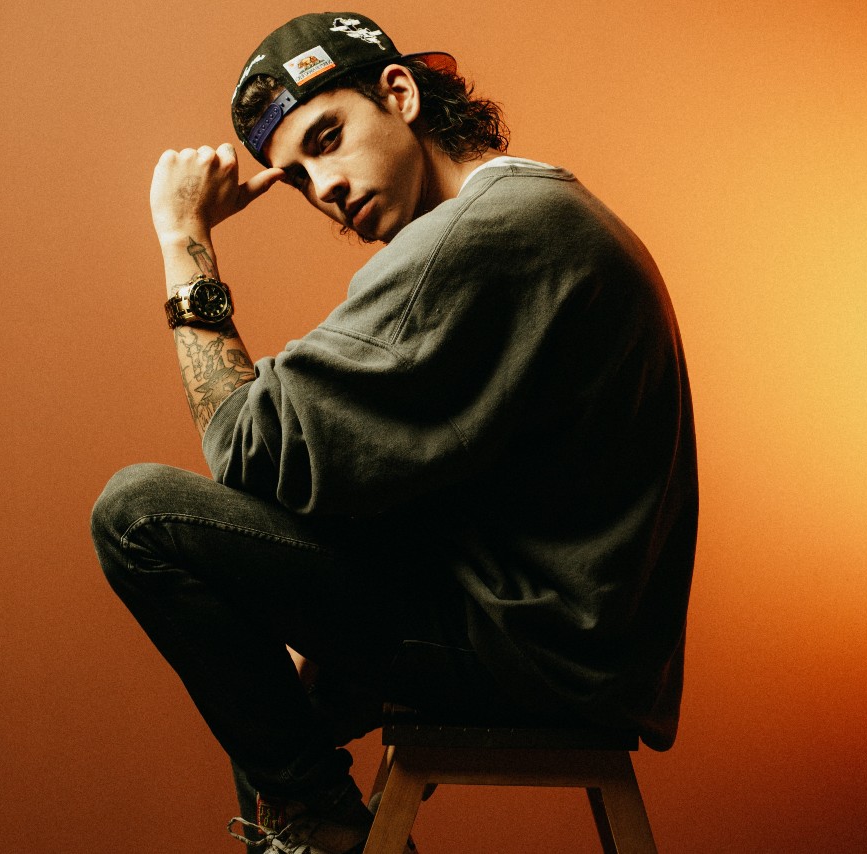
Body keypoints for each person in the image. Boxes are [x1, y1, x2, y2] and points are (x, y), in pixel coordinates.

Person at [91, 11, 698, 854]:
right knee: (276, 696)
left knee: (138, 514)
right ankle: (325, 829)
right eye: (299, 177)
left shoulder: (484, 233)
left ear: (400, 93)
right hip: (574, 645)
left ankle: (328, 837)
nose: (326, 188)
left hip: (535, 649)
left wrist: (183, 239)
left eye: (328, 138)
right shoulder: (539, 211)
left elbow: (245, 449)